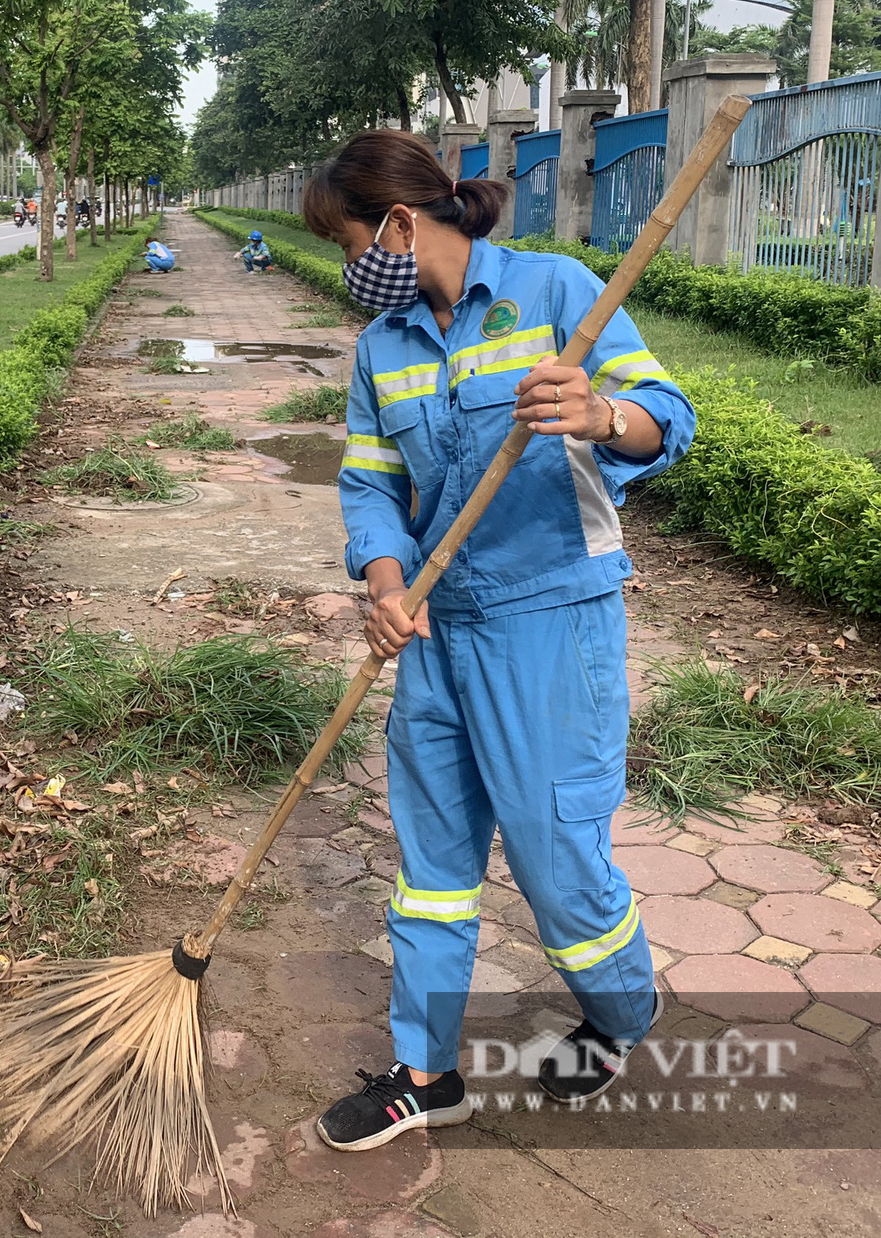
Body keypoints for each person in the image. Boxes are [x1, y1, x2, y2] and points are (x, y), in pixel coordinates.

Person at [303, 128, 695, 1152]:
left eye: (347, 244)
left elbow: (668, 418)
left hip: (548, 621)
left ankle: (618, 1016)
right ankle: (423, 1072)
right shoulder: (380, 347)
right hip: (433, 634)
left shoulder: (558, 294)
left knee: (555, 857)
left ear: (396, 223)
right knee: (430, 867)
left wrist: (600, 413)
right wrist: (384, 587)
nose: (349, 270)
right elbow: (369, 484)